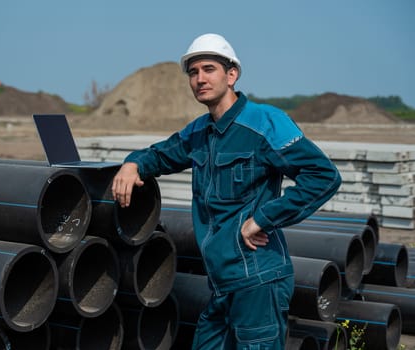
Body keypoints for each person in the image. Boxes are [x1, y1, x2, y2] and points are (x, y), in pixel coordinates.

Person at [111, 33, 341, 349]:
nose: (200, 79)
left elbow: (323, 176)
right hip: (221, 283)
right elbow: (163, 154)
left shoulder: (264, 122)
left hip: (258, 279)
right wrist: (132, 164)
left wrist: (263, 218)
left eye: (209, 69)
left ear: (231, 74)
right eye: (193, 73)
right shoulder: (200, 132)